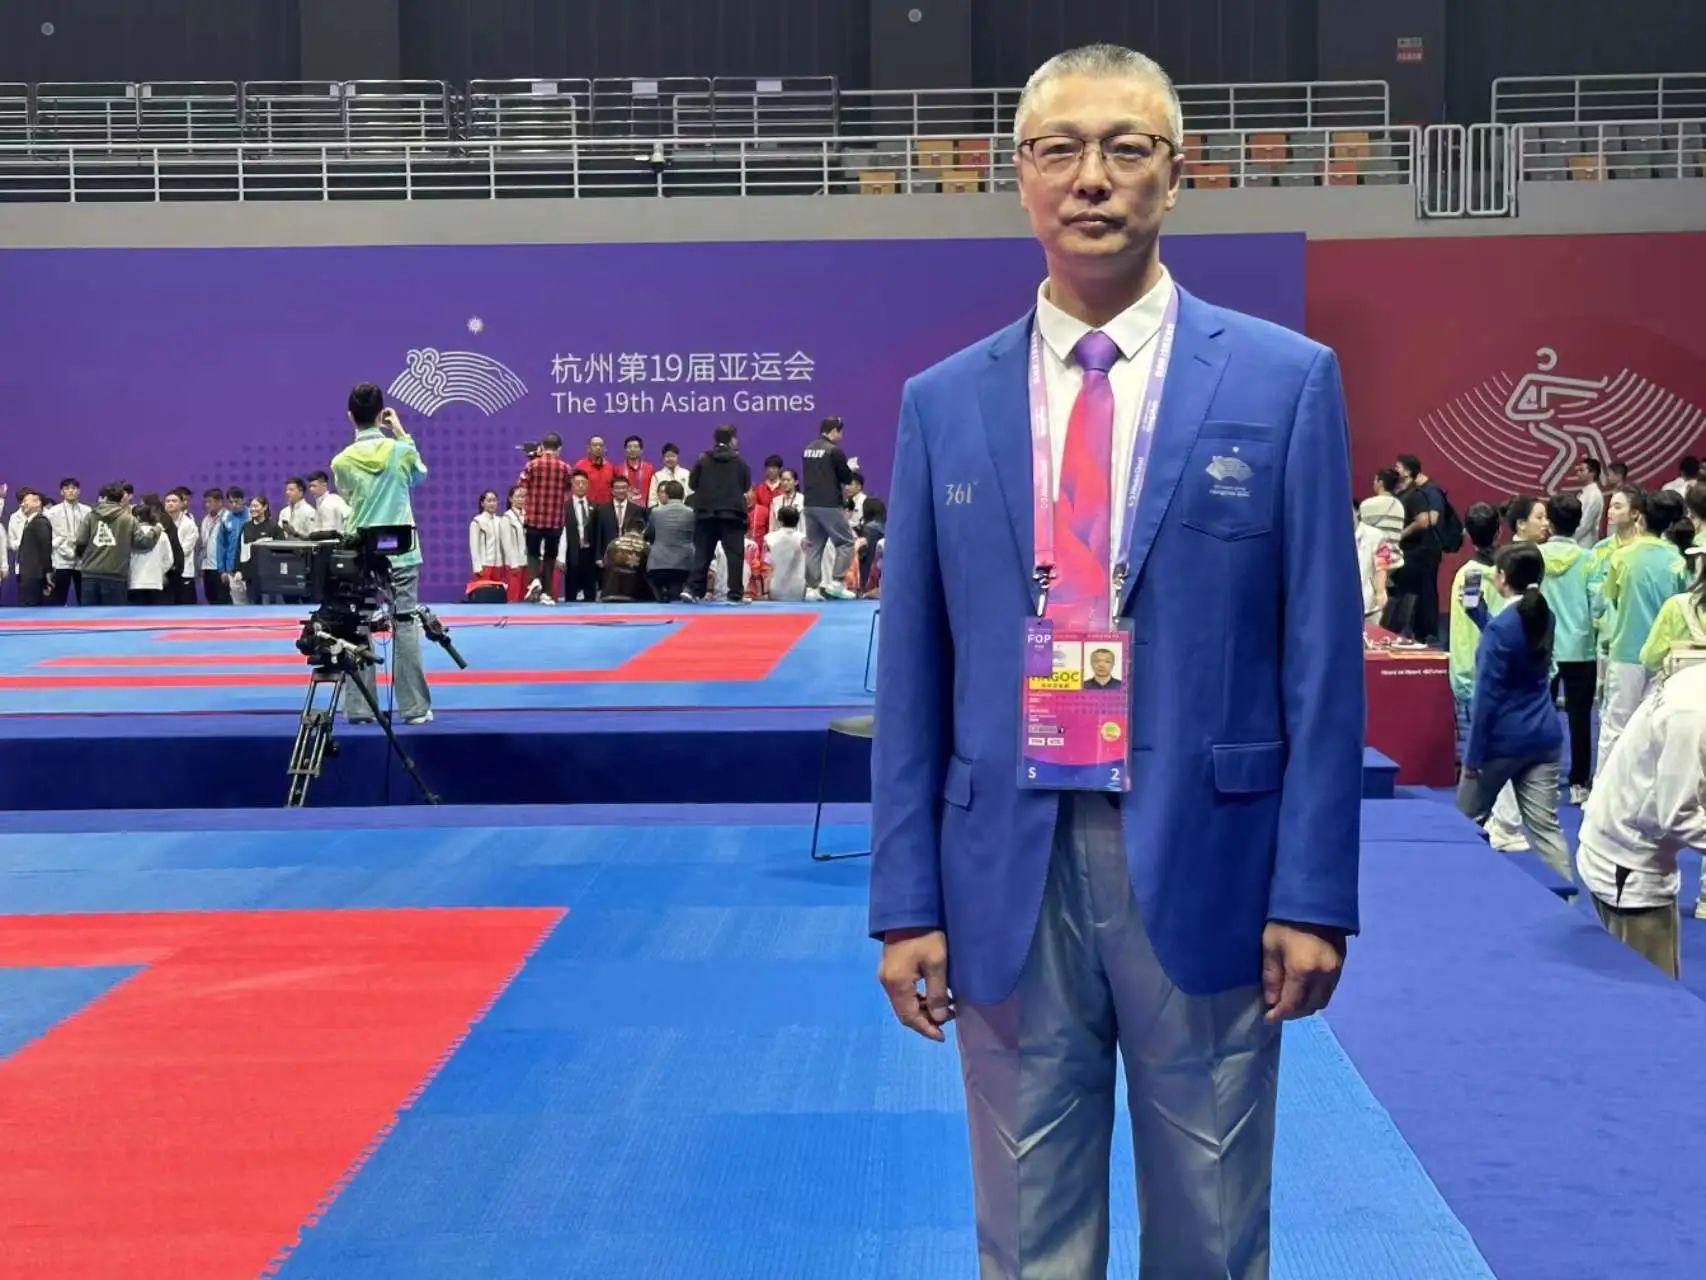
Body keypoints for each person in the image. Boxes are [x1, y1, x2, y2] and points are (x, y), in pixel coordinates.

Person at [870, 44, 1360, 1279]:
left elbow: (1318, 661)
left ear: (1175, 174)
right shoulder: (941, 403)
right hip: (1005, 858)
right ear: (1019, 175)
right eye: (1059, 150)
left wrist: (1311, 891)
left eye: (1124, 149)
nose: (1090, 177)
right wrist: (905, 900)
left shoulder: (1283, 382)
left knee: (1211, 1224)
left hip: (1208, 856)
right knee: (1026, 1228)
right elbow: (911, 672)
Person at [1457, 541, 1575, 886]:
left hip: (1502, 742)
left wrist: (1472, 757)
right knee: (1546, 828)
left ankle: (1458, 891)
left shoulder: (1501, 631)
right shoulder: (1543, 615)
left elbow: (1486, 699)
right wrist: (1481, 616)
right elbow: (1517, 646)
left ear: (1502, 578)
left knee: (1463, 824)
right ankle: (1566, 895)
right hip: (1544, 736)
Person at [1578, 660, 1706, 975]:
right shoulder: (1692, 714)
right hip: (1628, 865)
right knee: (1655, 994)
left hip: (1626, 844)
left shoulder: (1695, 683)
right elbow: (1677, 814)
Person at [332, 383, 432, 725]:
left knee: (358, 624)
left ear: (351, 417)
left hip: (360, 553)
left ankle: (361, 709)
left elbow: (348, 495)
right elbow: (420, 475)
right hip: (401, 551)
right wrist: (401, 432)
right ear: (381, 415)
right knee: (405, 623)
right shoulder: (401, 450)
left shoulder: (341, 461)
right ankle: (414, 709)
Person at [1448, 502, 1528, 852]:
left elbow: (1473, 621)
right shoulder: (1507, 576)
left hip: (1474, 672)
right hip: (1499, 669)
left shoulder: (1469, 575)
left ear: (1467, 533)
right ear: (1499, 530)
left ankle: (1503, 823)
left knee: (1484, 753)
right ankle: (1495, 818)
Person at [1600, 488, 1689, 770]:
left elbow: (1612, 597)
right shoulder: (1679, 560)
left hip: (1626, 651)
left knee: (1615, 726)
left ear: (1641, 518)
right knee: (1654, 728)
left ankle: (1603, 789)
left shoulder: (1621, 556)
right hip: (1665, 654)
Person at [1540, 494, 1598, 803]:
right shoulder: (1590, 559)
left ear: (1549, 522)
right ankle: (1579, 783)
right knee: (1580, 718)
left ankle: (1540, 779)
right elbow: (1598, 604)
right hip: (1580, 647)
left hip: (1543, 647)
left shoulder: (1535, 556)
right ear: (1578, 524)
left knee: (1539, 714)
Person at [687, 424, 751, 604]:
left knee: (702, 553)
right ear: (732, 439)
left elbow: (692, 484)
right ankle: (735, 594)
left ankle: (693, 590)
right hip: (732, 515)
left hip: (706, 514)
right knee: (735, 556)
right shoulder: (740, 461)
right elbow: (745, 486)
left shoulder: (703, 460)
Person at [1389, 453, 1444, 643]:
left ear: (1407, 471)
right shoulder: (1403, 492)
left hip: (1419, 553)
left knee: (1416, 593)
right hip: (1411, 552)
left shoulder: (1419, 493)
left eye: (1398, 467)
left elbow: (1426, 520)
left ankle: (1420, 633)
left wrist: (1401, 534)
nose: (1395, 469)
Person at [801, 416, 857, 600]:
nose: (842, 435)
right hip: (829, 504)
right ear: (834, 431)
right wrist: (850, 468)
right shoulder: (835, 451)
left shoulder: (808, 449)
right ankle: (837, 583)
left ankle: (811, 589)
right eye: (841, 431)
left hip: (810, 503)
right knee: (846, 542)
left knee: (814, 546)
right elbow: (846, 479)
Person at [75, 482, 154, 607]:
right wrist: (156, 530)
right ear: (121, 498)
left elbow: (80, 541)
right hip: (116, 575)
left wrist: (84, 558)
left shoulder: (90, 516)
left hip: (90, 574)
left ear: (104, 498)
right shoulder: (128, 519)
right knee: (114, 616)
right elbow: (143, 543)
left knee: (88, 615)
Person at [518, 433, 573, 603]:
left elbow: (521, 487)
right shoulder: (565, 468)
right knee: (550, 556)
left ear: (542, 446)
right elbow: (568, 489)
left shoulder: (532, 465)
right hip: (555, 520)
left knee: (533, 553)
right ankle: (547, 592)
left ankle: (534, 579)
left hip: (534, 518)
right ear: (559, 448)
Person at [643, 480, 696, 602]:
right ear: (683, 495)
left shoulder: (656, 512)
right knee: (676, 598)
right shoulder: (691, 513)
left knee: (658, 600)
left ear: (666, 495)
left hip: (658, 563)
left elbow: (650, 534)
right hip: (683, 564)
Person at [45, 477, 89, 606]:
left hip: (82, 559)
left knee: (84, 598)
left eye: (74, 488)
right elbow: (51, 536)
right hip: (61, 560)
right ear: (61, 492)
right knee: (58, 598)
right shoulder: (53, 512)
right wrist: (65, 550)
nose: (71, 491)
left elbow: (90, 534)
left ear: (79, 491)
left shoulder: (87, 511)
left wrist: (80, 551)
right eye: (67, 488)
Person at [560, 469, 599, 604]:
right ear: (572, 485)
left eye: (584, 483)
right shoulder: (564, 507)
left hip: (589, 554)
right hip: (571, 553)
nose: (581, 486)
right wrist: (560, 557)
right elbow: (560, 534)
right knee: (571, 592)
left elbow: (597, 533)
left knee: (590, 592)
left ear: (588, 485)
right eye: (577, 483)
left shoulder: (595, 507)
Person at [10, 488, 53, 607]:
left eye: (25, 501)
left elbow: (45, 548)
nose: (22, 505)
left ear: (37, 503)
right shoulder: (30, 522)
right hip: (27, 574)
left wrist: (48, 571)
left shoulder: (41, 522)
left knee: (31, 608)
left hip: (35, 575)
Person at [236, 496, 282, 604]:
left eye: (256, 506)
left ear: (265, 507)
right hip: (251, 576)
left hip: (270, 576)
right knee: (253, 605)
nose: (253, 509)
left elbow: (281, 551)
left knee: (270, 607)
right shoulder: (246, 527)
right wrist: (238, 570)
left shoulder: (273, 527)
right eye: (251, 506)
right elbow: (240, 550)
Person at [594, 475, 646, 568]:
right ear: (612, 490)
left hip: (630, 556)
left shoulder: (637, 510)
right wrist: (598, 557)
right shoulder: (602, 510)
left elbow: (640, 535)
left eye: (624, 487)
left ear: (628, 489)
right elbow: (598, 534)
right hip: (608, 555)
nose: (621, 491)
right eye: (617, 488)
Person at [128, 498, 173, 605]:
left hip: (134, 582)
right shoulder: (162, 535)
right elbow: (169, 560)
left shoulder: (129, 534)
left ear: (137, 517)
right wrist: (159, 571)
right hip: (155, 582)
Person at [1353, 499, 1391, 622]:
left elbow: (1382, 565)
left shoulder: (1375, 535)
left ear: (1357, 512)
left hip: (1368, 604)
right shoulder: (1331, 536)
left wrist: (1380, 591)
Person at [763, 503, 808, 601]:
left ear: (779, 520)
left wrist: (764, 592)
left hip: (775, 587)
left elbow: (766, 566)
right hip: (799, 587)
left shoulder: (768, 538)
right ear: (798, 520)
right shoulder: (804, 539)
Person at [213, 487, 249, 604]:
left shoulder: (251, 516)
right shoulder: (225, 518)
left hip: (249, 567)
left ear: (243, 500)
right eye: (231, 502)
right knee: (238, 603)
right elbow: (221, 545)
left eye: (237, 502)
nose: (233, 505)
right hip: (232, 567)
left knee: (253, 602)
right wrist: (222, 569)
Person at [165, 489, 198, 605]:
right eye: (168, 501)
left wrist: (168, 559)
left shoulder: (189, 524)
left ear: (181, 504)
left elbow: (185, 550)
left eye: (174, 501)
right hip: (165, 574)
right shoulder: (160, 523)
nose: (170, 503)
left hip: (184, 573)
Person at [469, 490, 505, 591]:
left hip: (498, 565)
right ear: (482, 503)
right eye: (489, 501)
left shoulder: (500, 521)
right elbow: (474, 547)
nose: (492, 503)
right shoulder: (477, 521)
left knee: (497, 594)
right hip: (484, 565)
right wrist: (477, 567)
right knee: (484, 594)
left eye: (494, 500)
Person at [498, 485, 529, 602]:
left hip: (527, 562)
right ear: (511, 499)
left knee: (525, 597)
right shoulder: (507, 518)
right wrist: (513, 563)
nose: (521, 499)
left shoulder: (528, 515)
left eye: (523, 497)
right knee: (514, 597)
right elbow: (506, 543)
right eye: (517, 497)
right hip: (514, 564)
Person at [198, 487, 227, 604]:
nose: (207, 505)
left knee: (222, 601)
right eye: (205, 502)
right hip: (206, 566)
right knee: (211, 600)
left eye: (210, 502)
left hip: (220, 567)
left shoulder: (227, 518)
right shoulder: (205, 519)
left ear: (220, 502)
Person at [307, 470, 351, 537]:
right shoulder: (333, 498)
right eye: (310, 486)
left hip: (334, 541)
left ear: (324, 485)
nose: (311, 489)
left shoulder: (328, 503)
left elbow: (330, 533)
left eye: (314, 486)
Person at [573, 434, 615, 505]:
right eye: (594, 445)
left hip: (605, 508)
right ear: (588, 448)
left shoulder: (610, 467)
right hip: (586, 507)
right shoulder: (579, 466)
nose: (598, 447)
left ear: (604, 448)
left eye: (601, 445)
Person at [648, 442, 692, 507]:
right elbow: (652, 499)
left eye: (673, 456)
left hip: (683, 510)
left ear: (677, 457)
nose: (670, 459)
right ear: (663, 458)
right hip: (663, 511)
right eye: (667, 456)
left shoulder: (686, 474)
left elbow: (691, 495)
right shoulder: (657, 476)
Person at [1575, 457, 1605, 549]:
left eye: (1582, 470)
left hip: (1585, 543)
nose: (1578, 473)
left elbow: (1586, 524)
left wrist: (1571, 539)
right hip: (1578, 542)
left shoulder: (1594, 495)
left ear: (1592, 473)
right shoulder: (1584, 493)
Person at [618, 435, 654, 507]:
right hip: (624, 508)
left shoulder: (649, 469)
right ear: (625, 450)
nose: (632, 449)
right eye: (629, 447)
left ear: (641, 450)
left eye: (635, 447)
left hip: (644, 509)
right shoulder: (618, 469)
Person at [766, 467, 805, 532]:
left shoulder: (802, 500)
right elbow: (772, 527)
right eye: (783, 480)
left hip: (797, 537)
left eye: (788, 480)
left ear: (796, 482)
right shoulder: (775, 501)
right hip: (780, 537)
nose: (785, 483)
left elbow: (804, 525)